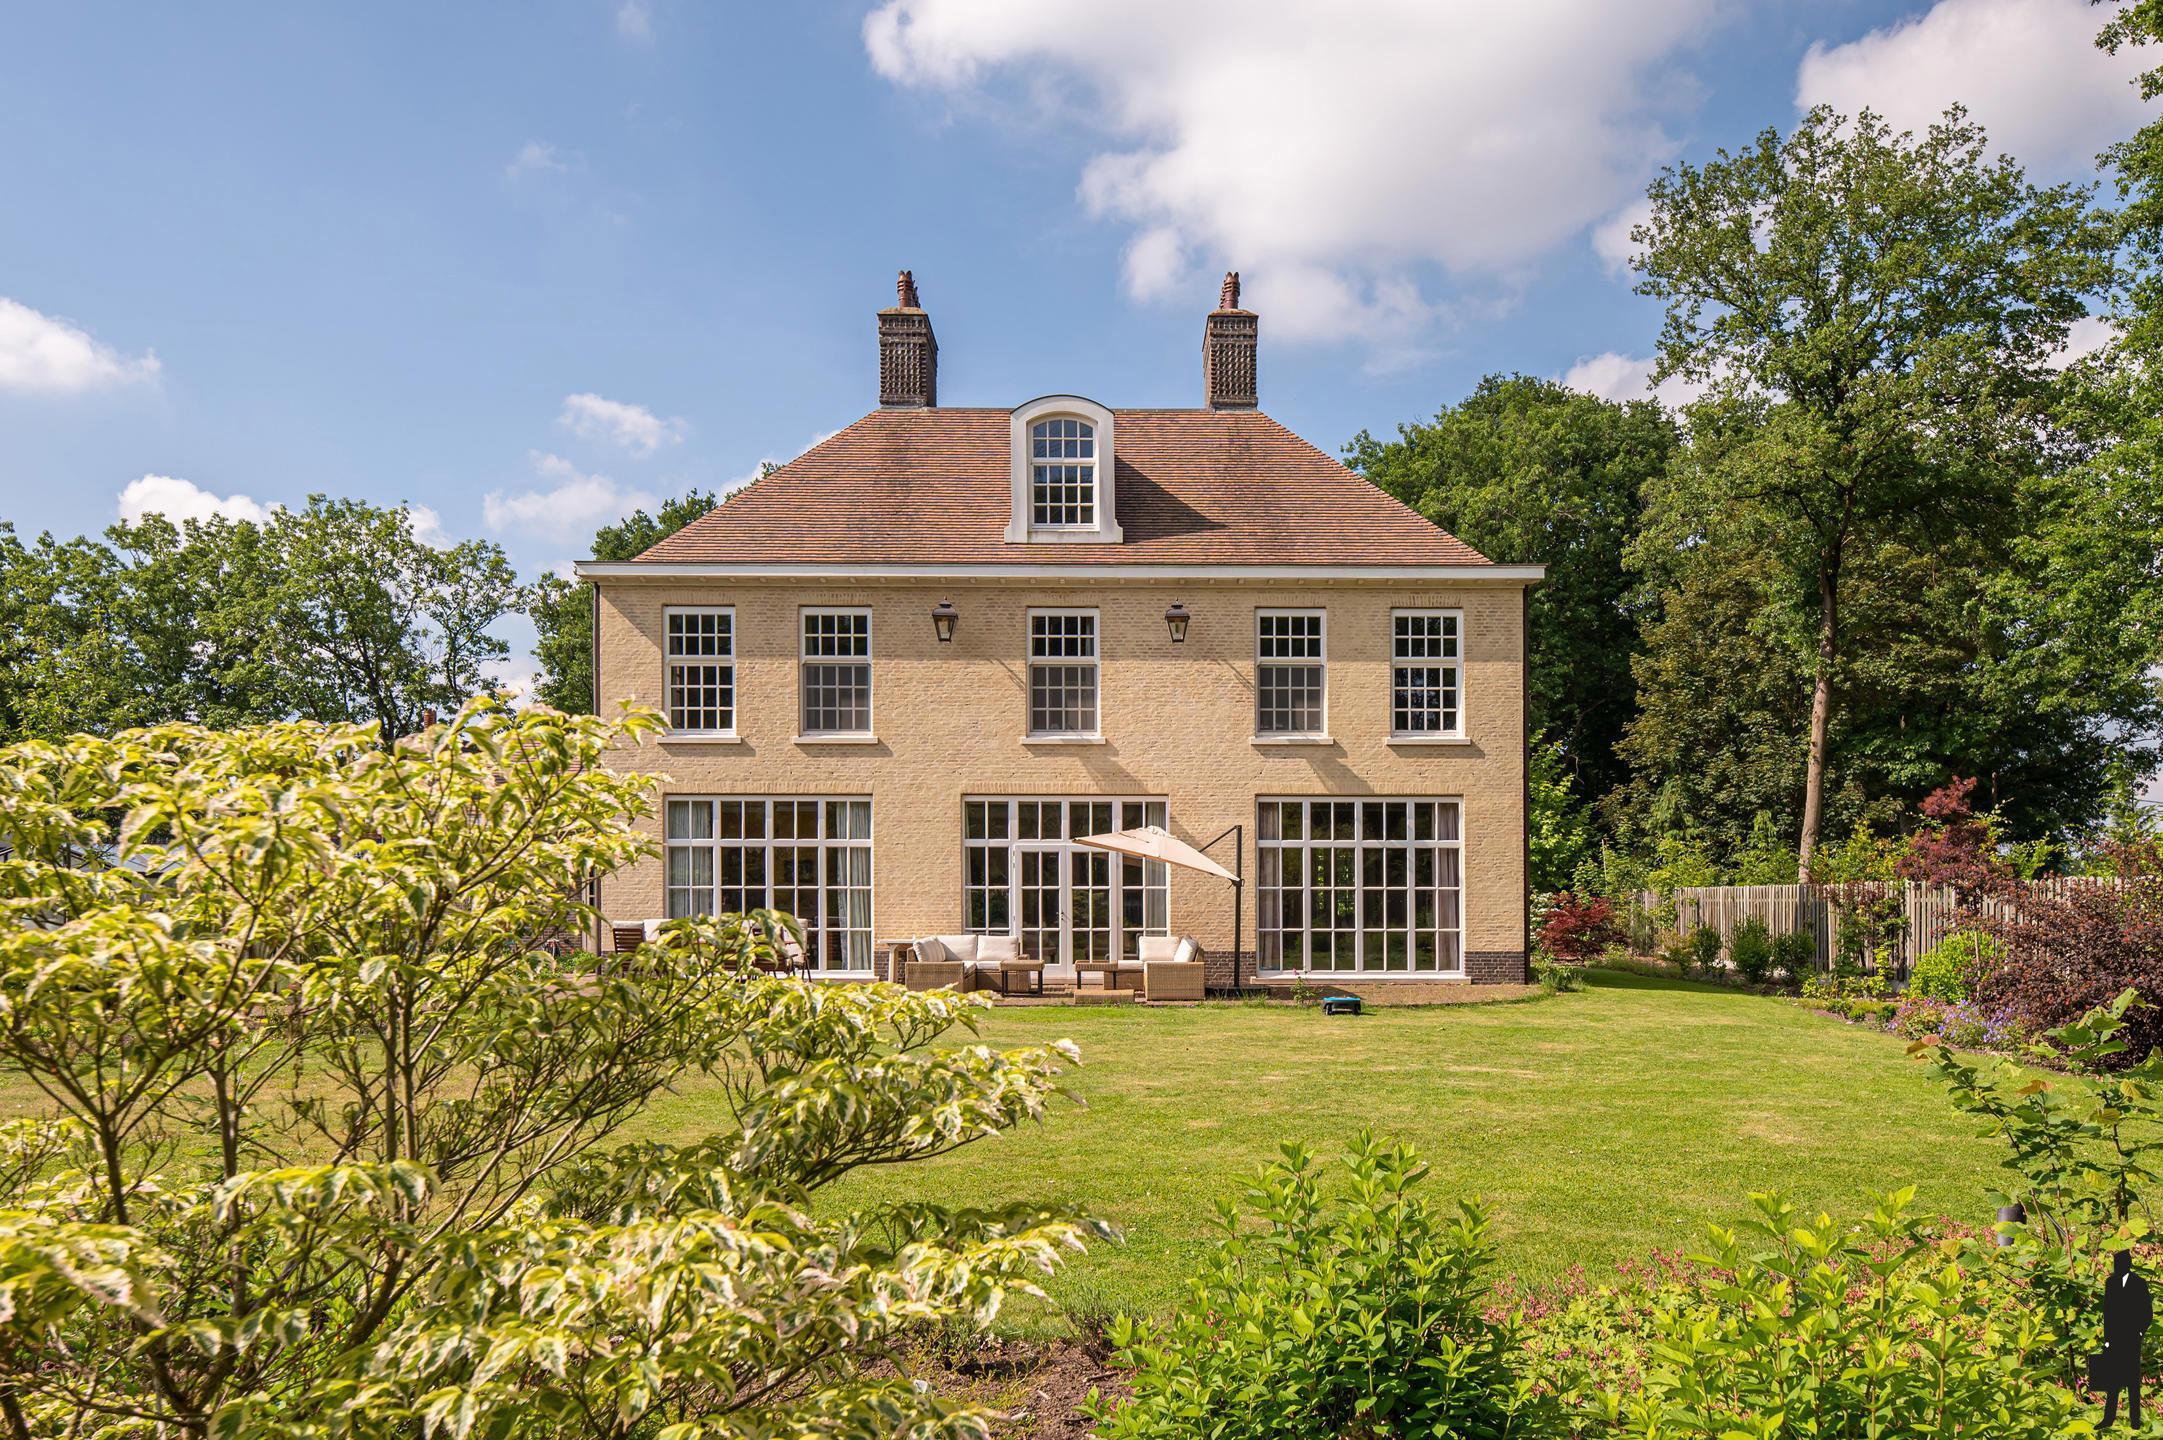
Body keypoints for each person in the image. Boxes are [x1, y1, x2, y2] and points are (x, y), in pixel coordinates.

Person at [2095, 1249, 2153, 1428]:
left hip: (2131, 1338)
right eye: (2115, 1264)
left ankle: (2135, 1420)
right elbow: (2108, 1312)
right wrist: (2107, 1339)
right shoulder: (2110, 1282)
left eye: (2119, 1263)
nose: (2116, 1267)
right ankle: (2108, 1419)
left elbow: (2147, 1311)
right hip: (2114, 1339)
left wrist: (2140, 1332)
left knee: (2132, 1382)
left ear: (2128, 1264)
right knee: (2112, 1381)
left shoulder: (2139, 1283)